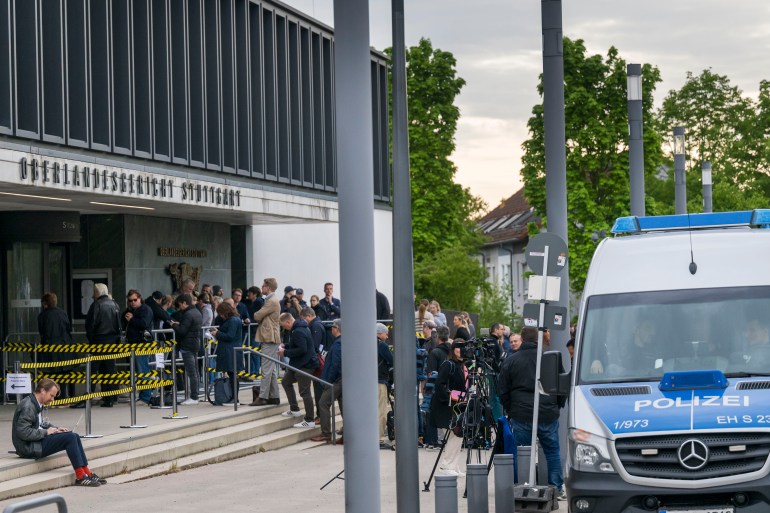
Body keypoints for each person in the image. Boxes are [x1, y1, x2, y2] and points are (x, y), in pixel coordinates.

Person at [497, 326, 566, 500]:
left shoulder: (511, 360)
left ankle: (525, 487)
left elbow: (502, 389)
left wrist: (511, 409)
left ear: (522, 339)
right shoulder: (550, 359)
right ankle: (556, 488)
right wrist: (557, 406)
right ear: (538, 339)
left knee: (523, 452)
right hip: (547, 412)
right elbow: (562, 385)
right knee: (552, 451)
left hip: (521, 413)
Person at [12, 378, 106, 487]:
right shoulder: (28, 406)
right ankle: (80, 476)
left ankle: (87, 473)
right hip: (28, 447)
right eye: (51, 395)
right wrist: (47, 432)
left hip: (33, 443)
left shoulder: (35, 402)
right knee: (70, 438)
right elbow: (23, 432)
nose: (52, 399)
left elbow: (40, 423)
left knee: (74, 436)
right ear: (43, 391)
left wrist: (56, 429)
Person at [429, 339, 467, 476]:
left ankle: (453, 464)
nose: (461, 350)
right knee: (454, 434)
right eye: (458, 347)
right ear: (453, 349)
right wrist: (455, 396)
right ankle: (447, 466)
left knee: (458, 435)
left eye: (464, 348)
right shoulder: (448, 364)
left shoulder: (461, 365)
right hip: (446, 405)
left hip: (456, 405)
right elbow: (440, 385)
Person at [85, 283, 121, 407]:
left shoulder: (96, 305)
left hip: (98, 340)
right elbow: (118, 326)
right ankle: (110, 398)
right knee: (109, 370)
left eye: (94, 292)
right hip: (112, 341)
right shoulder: (114, 305)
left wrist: (91, 340)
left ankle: (89, 397)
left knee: (93, 371)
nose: (92, 295)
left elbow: (90, 325)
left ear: (97, 292)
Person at [279, 313, 318, 427]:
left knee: (305, 392)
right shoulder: (298, 328)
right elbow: (297, 344)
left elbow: (302, 349)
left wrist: (284, 352)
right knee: (286, 382)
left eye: (284, 326)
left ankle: (310, 420)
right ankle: (294, 409)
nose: (284, 328)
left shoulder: (298, 331)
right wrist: (286, 346)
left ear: (288, 322)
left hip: (305, 365)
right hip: (297, 364)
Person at [310, 319, 343, 443]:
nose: (331, 330)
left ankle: (326, 433)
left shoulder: (338, 344)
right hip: (341, 380)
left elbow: (335, 365)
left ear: (337, 329)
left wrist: (327, 381)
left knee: (323, 403)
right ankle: (347, 433)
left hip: (336, 381)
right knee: (343, 406)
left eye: (333, 327)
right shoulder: (341, 343)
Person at [251, 278, 282, 406]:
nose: (261, 287)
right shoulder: (270, 300)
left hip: (270, 338)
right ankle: (274, 396)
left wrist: (258, 316)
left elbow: (257, 315)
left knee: (266, 369)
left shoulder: (271, 301)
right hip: (269, 337)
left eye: (263, 286)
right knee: (271, 369)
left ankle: (263, 396)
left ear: (268, 288)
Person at [37, 292, 75, 398]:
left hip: (50, 349)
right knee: (66, 373)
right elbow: (68, 328)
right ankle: (68, 396)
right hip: (65, 346)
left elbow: (42, 332)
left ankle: (54, 397)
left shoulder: (43, 315)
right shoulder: (62, 313)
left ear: (45, 303)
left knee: (51, 374)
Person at [169, 294, 202, 405]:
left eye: (180, 305)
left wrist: (174, 325)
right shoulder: (197, 312)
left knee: (191, 372)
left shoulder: (188, 314)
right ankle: (195, 395)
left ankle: (194, 397)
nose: (179, 308)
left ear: (184, 303)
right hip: (195, 343)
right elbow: (190, 327)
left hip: (187, 345)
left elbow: (182, 331)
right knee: (195, 371)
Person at [123, 290, 154, 406]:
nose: (132, 303)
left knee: (143, 369)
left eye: (135, 300)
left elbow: (144, 324)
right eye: (130, 301)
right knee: (137, 370)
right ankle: (143, 395)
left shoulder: (145, 309)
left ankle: (146, 396)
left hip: (141, 343)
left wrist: (132, 319)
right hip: (133, 342)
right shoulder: (131, 310)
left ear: (140, 299)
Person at [422, 325, 451, 449]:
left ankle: (433, 440)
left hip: (436, 387)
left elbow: (430, 373)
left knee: (432, 413)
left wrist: (426, 388)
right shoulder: (452, 351)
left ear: (437, 337)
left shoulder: (435, 352)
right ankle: (445, 439)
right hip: (450, 388)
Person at [209, 302, 243, 403]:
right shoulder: (235, 319)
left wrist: (217, 333)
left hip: (230, 351)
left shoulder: (232, 320)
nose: (220, 315)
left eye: (221, 313)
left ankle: (234, 398)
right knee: (232, 375)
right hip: (232, 350)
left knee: (232, 375)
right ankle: (234, 397)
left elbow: (230, 336)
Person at [375, 323, 394, 449]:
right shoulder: (382, 346)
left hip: (367, 383)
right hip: (380, 382)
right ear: (379, 333)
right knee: (381, 411)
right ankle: (379, 439)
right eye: (386, 333)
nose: (387, 336)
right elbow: (392, 361)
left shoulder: (364, 344)